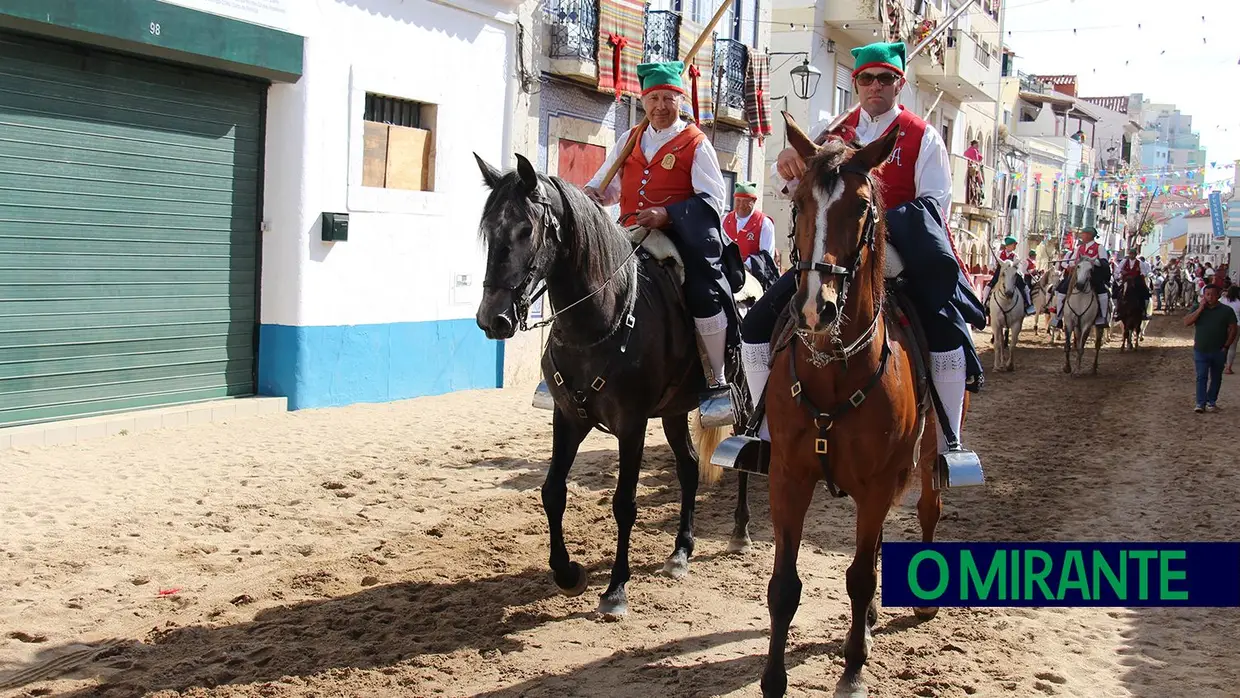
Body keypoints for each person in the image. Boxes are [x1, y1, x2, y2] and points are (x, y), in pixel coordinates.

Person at [733, 40, 985, 473]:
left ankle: (948, 447)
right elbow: (791, 189)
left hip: (895, 257)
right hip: (831, 255)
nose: (875, 86)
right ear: (855, 83)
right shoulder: (832, 130)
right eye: (866, 78)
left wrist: (872, 224)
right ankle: (763, 435)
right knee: (755, 327)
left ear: (899, 83)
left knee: (948, 339)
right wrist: (790, 162)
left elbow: (933, 205)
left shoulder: (924, 138)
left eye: (885, 78)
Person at [584, 60, 734, 413]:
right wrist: (590, 193)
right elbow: (606, 186)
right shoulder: (629, 139)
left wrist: (669, 214)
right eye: (653, 99)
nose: (661, 107)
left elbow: (713, 199)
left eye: (669, 98)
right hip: (627, 234)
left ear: (680, 101)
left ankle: (716, 379)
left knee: (703, 292)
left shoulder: (696, 143)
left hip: (677, 238)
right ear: (644, 100)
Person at [1184, 283, 1238, 413]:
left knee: (1216, 377)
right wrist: (1200, 309)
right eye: (1207, 295)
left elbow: (1233, 329)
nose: (1210, 297)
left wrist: (1226, 345)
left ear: (1218, 295)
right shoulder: (1197, 307)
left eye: (1213, 295)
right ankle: (1200, 403)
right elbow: (1187, 322)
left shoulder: (1226, 311)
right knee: (1201, 377)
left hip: (1219, 350)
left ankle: (1211, 402)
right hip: (1201, 350)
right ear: (1203, 296)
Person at [1050, 225, 1110, 329]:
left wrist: (1092, 261)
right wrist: (1070, 266)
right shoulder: (1079, 248)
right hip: (1077, 275)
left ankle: (1103, 317)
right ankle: (1058, 316)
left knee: (1103, 292)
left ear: (1090, 235)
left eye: (1083, 234)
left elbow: (1104, 262)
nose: (1082, 236)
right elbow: (1073, 261)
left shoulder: (1099, 247)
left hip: (1092, 275)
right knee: (1060, 291)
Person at [722, 180, 780, 287]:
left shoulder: (764, 223)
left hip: (754, 276)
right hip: (727, 273)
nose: (740, 205)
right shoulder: (725, 219)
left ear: (753, 201)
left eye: (745, 201)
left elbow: (766, 255)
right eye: (738, 201)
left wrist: (745, 267)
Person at [981, 236, 1035, 315]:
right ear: (1008, 245)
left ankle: (1028, 305)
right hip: (1000, 272)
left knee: (1025, 287)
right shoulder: (999, 253)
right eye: (1014, 244)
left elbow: (1017, 265)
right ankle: (984, 304)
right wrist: (994, 266)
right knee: (988, 286)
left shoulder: (1015, 255)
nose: (1015, 246)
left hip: (1012, 273)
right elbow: (992, 264)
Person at [1114, 247, 1152, 320]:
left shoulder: (1140, 262)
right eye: (1130, 254)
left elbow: (1144, 273)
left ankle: (1144, 311)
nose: (1131, 255)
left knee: (1146, 293)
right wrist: (1119, 275)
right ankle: (1116, 310)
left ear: (1135, 255)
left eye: (1133, 254)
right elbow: (1118, 269)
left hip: (1136, 281)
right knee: (1115, 293)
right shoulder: (1124, 261)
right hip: (1125, 280)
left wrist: (1139, 272)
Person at [1223, 286, 1240, 375]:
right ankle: (1228, 367)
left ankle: (1220, 363)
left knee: (1222, 344)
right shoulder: (1239, 302)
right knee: (1232, 347)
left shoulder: (1223, 300)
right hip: (1236, 325)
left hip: (1223, 324)